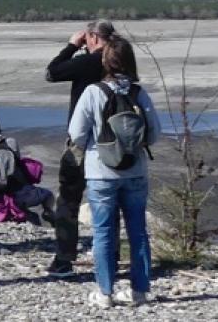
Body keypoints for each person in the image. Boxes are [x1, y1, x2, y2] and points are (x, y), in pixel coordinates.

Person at [68, 37, 160, 308]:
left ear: (104, 62)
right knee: (138, 232)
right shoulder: (138, 93)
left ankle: (105, 292)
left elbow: (76, 133)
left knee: (104, 232)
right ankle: (140, 290)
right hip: (135, 171)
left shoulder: (93, 92)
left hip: (100, 172)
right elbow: (154, 134)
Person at [43, 21, 122, 266]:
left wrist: (70, 46)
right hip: (115, 142)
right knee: (109, 200)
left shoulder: (89, 61)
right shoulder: (120, 63)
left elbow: (52, 72)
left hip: (83, 141)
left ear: (93, 38)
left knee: (68, 199)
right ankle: (111, 256)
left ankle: (64, 258)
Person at [0, 119, 77, 276]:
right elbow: (17, 164)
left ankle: (19, 212)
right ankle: (48, 216)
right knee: (47, 197)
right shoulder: (11, 142)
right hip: (22, 191)